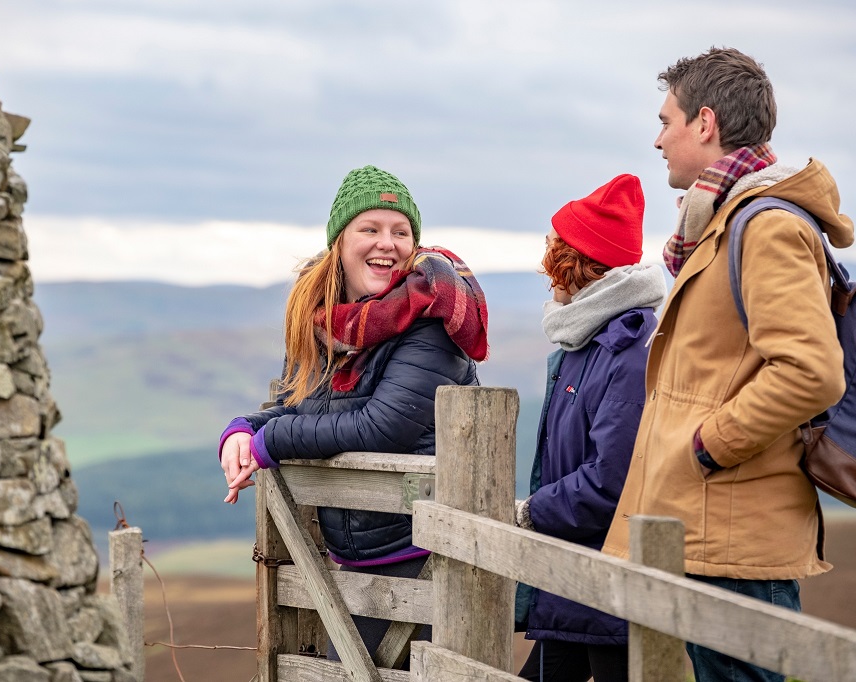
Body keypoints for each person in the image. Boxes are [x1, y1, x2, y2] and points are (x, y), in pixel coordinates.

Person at [602, 47, 854, 681]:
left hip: (737, 533)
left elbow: (812, 370)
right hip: (710, 527)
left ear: (705, 123)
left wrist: (708, 445)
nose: (658, 139)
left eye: (668, 121)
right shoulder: (721, 222)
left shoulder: (765, 226)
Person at [218, 164, 488, 663]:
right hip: (351, 561)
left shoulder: (432, 322)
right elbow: (297, 403)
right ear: (339, 243)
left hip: (423, 559)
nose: (387, 244)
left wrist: (269, 443)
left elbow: (382, 427)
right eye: (370, 229)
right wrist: (242, 430)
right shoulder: (321, 323)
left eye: (400, 232)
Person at [513, 175, 666, 682]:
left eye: (553, 259)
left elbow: (613, 480)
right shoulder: (587, 341)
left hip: (607, 592)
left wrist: (532, 512)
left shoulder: (625, 351)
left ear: (574, 264)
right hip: (572, 584)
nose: (547, 275)